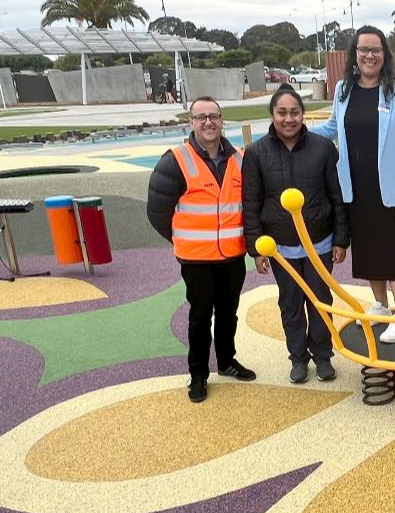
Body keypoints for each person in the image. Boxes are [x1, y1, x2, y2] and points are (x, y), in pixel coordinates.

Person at [310, 26, 395, 343]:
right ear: (354, 55)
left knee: (393, 250)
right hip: (355, 186)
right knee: (369, 249)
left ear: (385, 55)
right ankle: (381, 306)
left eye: (376, 50)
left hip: (390, 187)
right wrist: (294, 131)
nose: (370, 56)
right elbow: (332, 127)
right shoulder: (344, 89)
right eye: (364, 50)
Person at [147, 96, 256, 403]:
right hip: (197, 259)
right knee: (199, 317)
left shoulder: (239, 159)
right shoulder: (176, 160)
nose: (209, 122)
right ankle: (197, 374)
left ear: (222, 121)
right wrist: (184, 240)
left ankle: (226, 361)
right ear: (191, 123)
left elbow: (248, 205)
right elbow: (157, 211)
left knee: (228, 313)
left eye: (214, 116)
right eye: (201, 117)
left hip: (232, 256)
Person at [243, 85, 349, 384]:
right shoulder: (256, 154)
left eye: (294, 112)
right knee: (290, 303)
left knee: (319, 300)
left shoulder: (323, 148)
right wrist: (256, 247)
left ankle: (323, 356)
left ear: (303, 115)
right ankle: (298, 359)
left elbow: (336, 195)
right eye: (282, 113)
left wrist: (341, 239)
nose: (288, 119)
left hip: (320, 242)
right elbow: (251, 202)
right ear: (272, 115)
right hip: (280, 247)